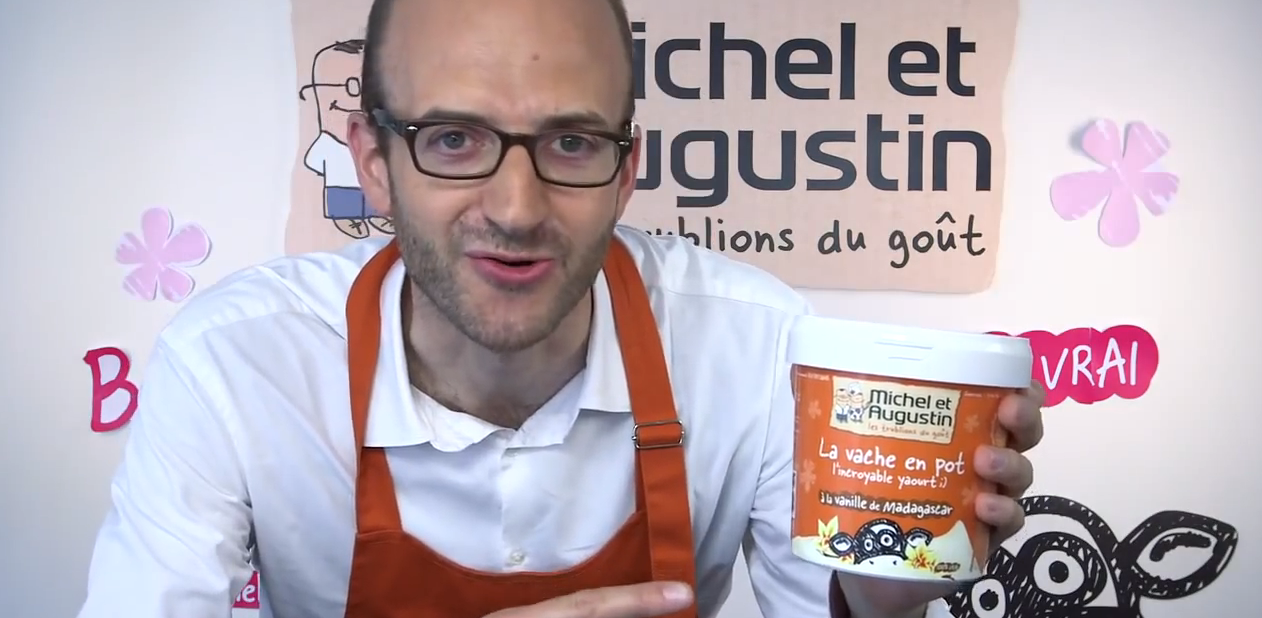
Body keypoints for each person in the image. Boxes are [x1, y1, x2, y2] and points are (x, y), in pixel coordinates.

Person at [77, 0, 1046, 616]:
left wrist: (879, 592)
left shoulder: (755, 347)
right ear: (372, 161)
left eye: (571, 144)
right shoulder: (235, 368)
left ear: (626, 173)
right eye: (453, 139)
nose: (515, 208)